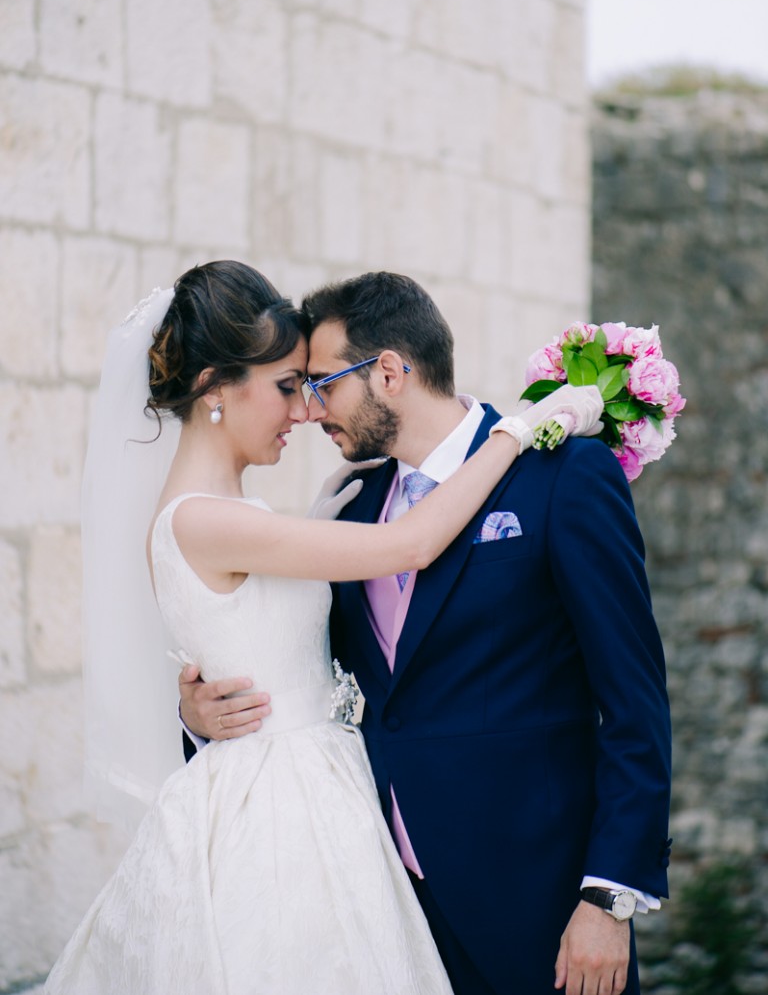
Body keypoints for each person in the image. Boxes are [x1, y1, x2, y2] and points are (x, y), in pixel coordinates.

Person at [46, 261, 601, 995]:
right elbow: (407, 547)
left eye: (309, 388)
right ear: (215, 387)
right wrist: (520, 430)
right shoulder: (204, 519)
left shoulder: (274, 510)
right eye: (285, 388)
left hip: (337, 795)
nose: (303, 412)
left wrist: (196, 709)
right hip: (278, 821)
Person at [182, 271, 673, 995]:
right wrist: (200, 714)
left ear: (389, 372)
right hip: (389, 910)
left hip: (542, 901)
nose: (311, 412)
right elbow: (290, 661)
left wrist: (609, 896)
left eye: (322, 384)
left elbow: (635, 704)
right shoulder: (352, 509)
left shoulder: (563, 476)